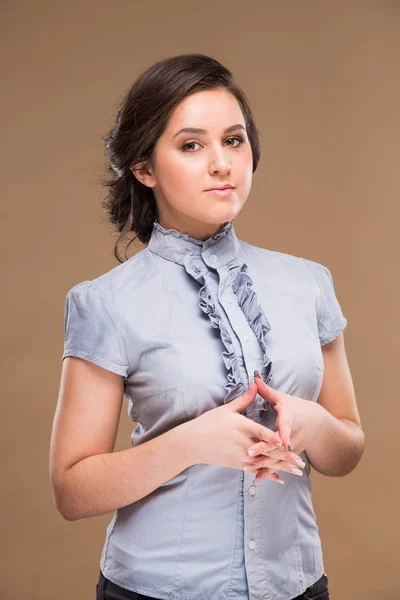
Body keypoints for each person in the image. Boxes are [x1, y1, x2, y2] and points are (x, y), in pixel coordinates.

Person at [50, 53, 364, 600]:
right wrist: (191, 443)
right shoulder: (105, 304)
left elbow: (348, 448)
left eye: (235, 140)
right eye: (191, 145)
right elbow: (72, 491)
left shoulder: (308, 283)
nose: (222, 163)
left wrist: (310, 423)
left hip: (297, 586)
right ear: (144, 168)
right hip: (156, 590)